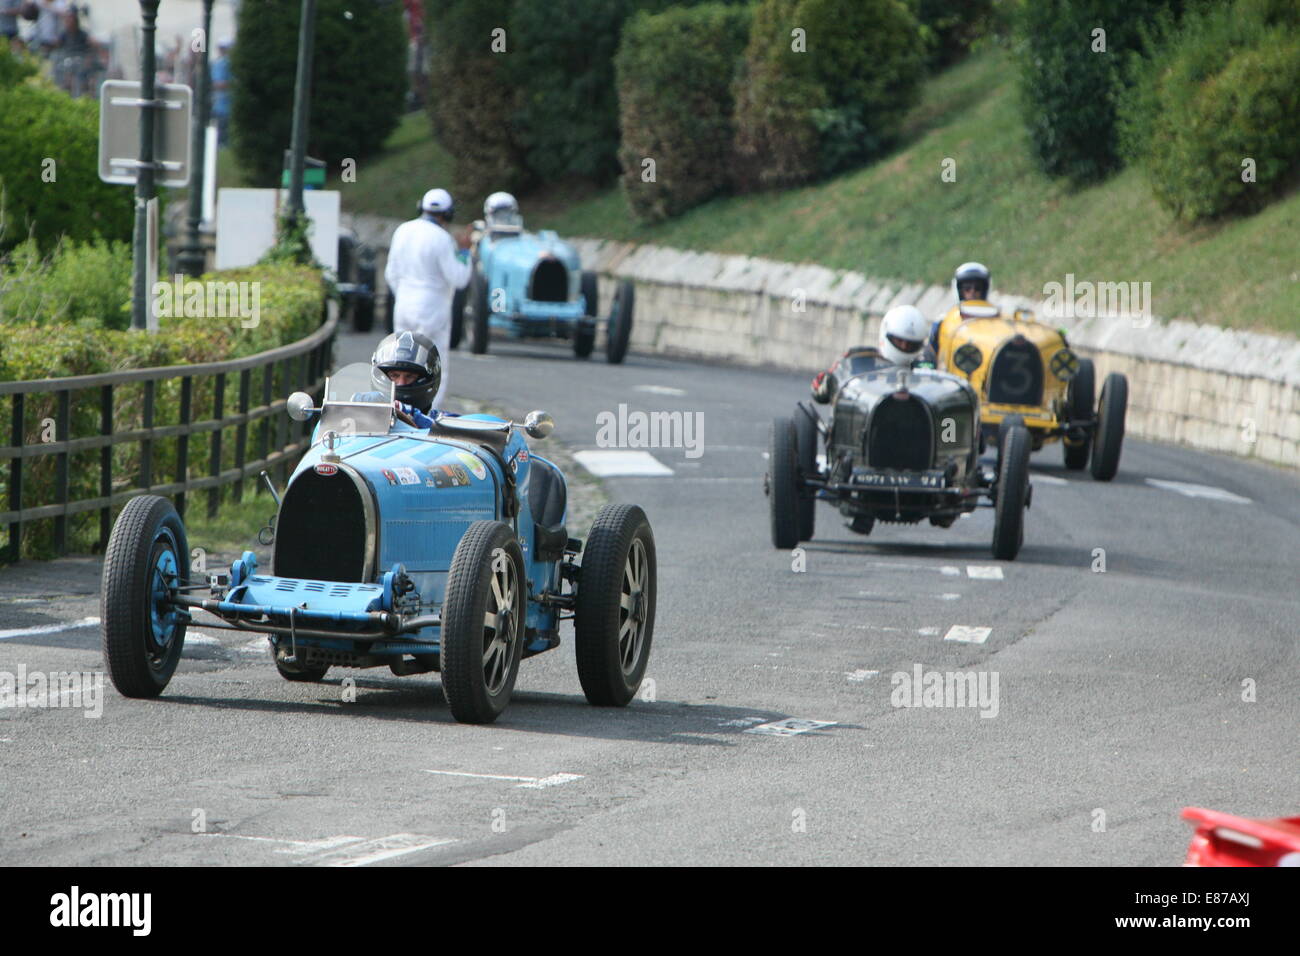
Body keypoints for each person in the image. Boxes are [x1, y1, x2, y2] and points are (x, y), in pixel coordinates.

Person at [384, 188, 471, 410]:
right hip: (432, 306)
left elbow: (391, 274)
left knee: (401, 361)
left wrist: (403, 294)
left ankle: (398, 408)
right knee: (434, 362)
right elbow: (458, 278)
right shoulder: (443, 239)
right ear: (447, 214)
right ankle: (428, 413)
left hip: (403, 303)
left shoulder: (402, 230)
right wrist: (465, 253)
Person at [370, 331, 443, 428]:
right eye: (394, 375)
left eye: (409, 376)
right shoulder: (368, 418)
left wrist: (408, 412)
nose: (401, 383)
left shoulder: (442, 422)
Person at [928, 261, 993, 359]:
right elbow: (931, 356)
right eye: (967, 288)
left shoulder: (995, 321)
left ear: (984, 290)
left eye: (977, 288)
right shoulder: (942, 322)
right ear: (959, 290)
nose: (972, 292)